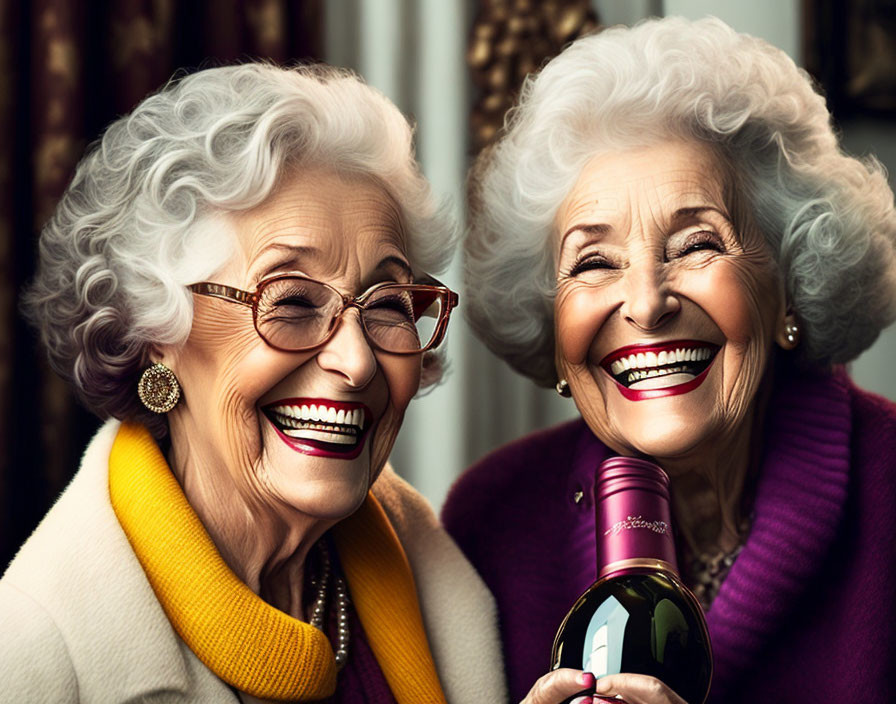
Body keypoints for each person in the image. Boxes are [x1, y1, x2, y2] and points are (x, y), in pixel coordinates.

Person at [0, 62, 506, 703]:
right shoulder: (31, 656)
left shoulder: (439, 568)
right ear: (159, 333)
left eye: (386, 305)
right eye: (292, 302)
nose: (357, 363)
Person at [443, 16, 896, 704]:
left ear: (789, 287)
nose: (647, 304)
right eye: (593, 262)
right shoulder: (494, 522)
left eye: (695, 245)